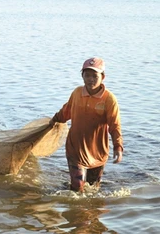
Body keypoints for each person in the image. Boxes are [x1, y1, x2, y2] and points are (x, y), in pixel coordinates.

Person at [48, 57, 123, 192]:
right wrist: (54, 120)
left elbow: (114, 125)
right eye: (87, 75)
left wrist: (118, 146)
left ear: (103, 77)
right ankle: (77, 210)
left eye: (94, 76)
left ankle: (90, 212)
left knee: (93, 189)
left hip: (98, 151)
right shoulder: (77, 93)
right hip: (75, 148)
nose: (90, 79)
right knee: (78, 187)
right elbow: (66, 111)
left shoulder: (109, 99)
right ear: (82, 76)